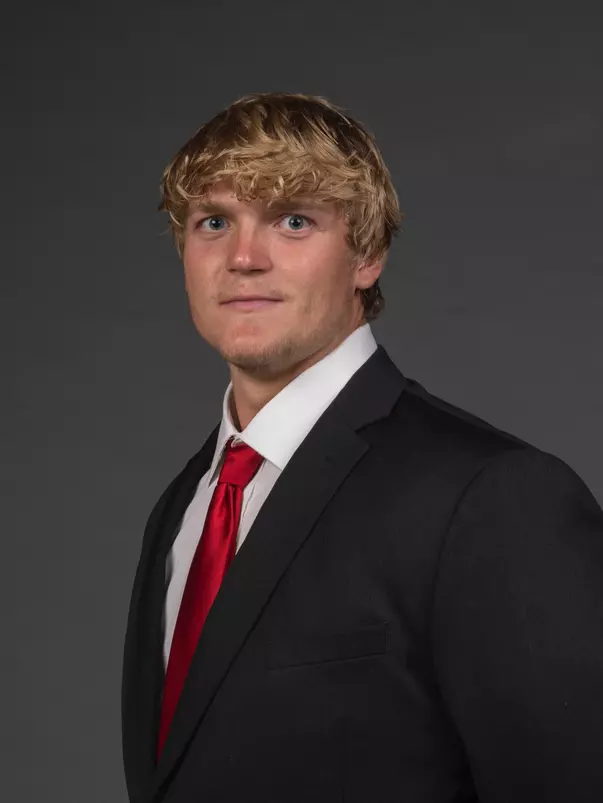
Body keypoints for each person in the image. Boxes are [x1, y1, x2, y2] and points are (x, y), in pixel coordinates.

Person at [121, 92, 603, 803]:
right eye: (213, 221)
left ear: (367, 254)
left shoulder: (492, 497)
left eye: (293, 220)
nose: (244, 257)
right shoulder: (182, 506)